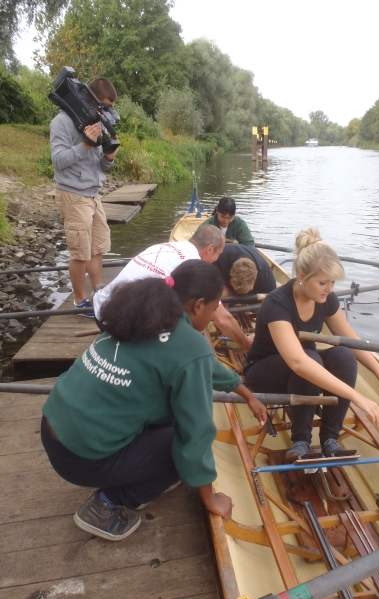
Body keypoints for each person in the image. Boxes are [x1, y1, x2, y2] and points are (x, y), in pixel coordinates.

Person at [41, 260, 267, 542]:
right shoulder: (190, 343)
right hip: (81, 456)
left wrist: (244, 392)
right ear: (198, 305)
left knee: (169, 415)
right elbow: (195, 434)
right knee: (182, 454)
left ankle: (135, 471)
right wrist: (210, 496)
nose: (212, 318)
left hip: (54, 426)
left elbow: (202, 364)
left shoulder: (142, 312)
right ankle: (106, 504)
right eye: (213, 310)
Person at [244, 227, 379, 461]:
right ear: (301, 276)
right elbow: (298, 363)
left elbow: (352, 340)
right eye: (323, 282)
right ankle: (301, 440)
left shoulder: (326, 298)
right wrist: (357, 396)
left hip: (302, 368)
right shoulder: (277, 303)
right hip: (263, 372)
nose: (330, 289)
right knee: (310, 359)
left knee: (344, 354)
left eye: (333, 282)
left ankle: (330, 440)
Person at [93, 225, 255, 350]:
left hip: (101, 307)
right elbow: (222, 319)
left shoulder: (167, 246)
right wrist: (246, 342)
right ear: (210, 248)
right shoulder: (192, 265)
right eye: (218, 254)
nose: (216, 260)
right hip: (117, 321)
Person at [50, 77, 120, 317]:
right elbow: (58, 161)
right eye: (104, 106)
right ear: (89, 99)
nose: (106, 111)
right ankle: (80, 302)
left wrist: (109, 156)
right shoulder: (62, 121)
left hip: (93, 194)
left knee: (98, 247)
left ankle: (97, 293)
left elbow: (101, 166)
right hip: (73, 194)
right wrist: (86, 144)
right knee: (80, 252)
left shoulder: (96, 121)